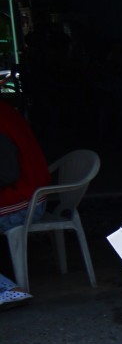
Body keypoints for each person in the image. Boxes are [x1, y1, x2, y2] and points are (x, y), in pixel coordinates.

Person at [0, 99, 50, 309]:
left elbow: (7, 173)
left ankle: (7, 290)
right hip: (29, 195)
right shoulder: (5, 109)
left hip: (22, 202)